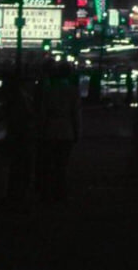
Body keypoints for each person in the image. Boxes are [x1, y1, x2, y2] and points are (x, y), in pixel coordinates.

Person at [35, 58, 81, 202]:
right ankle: (60, 192)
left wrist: (41, 129)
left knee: (48, 162)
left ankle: (46, 192)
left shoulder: (49, 90)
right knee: (62, 164)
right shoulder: (73, 91)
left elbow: (43, 112)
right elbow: (76, 114)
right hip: (66, 130)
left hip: (50, 129)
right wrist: (77, 132)